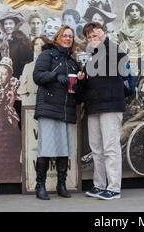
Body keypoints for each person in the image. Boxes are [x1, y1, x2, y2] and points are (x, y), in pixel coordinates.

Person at [75, 21, 128, 200]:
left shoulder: (113, 50)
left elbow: (123, 62)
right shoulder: (89, 56)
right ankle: (99, 185)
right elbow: (86, 85)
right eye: (89, 37)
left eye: (95, 35)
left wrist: (105, 40)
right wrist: (81, 79)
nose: (92, 39)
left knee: (110, 147)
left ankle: (114, 188)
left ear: (102, 34)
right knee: (96, 149)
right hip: (93, 107)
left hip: (111, 106)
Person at [32, 26, 81, 200]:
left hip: (66, 109)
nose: (68, 39)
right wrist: (55, 76)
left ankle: (61, 185)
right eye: (65, 36)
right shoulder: (47, 55)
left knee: (63, 149)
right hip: (49, 107)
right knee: (45, 149)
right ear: (58, 37)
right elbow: (37, 76)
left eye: (71, 37)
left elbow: (77, 92)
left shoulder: (73, 62)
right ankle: (41, 186)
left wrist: (80, 84)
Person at [0, 12, 32, 80]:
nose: (8, 26)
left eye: (10, 23)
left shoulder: (23, 40)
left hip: (17, 77)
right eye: (5, 24)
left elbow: (27, 61)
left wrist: (22, 77)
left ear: (15, 25)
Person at [118, 1, 144, 68]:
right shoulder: (123, 28)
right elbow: (122, 46)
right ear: (128, 13)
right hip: (129, 58)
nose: (134, 13)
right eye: (132, 11)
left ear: (141, 12)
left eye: (137, 10)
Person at [18, 36, 49, 106]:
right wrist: (26, 103)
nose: (39, 46)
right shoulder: (28, 67)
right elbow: (22, 89)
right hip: (31, 103)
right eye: (36, 44)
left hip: (47, 104)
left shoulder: (52, 66)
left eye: (42, 44)